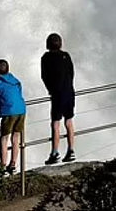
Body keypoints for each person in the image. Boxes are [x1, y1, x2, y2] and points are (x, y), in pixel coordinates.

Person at [41, 32, 76, 165]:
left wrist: (50, 89)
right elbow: (71, 73)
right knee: (69, 121)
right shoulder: (66, 56)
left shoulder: (46, 58)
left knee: (55, 123)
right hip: (69, 92)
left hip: (57, 94)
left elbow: (44, 76)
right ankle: (71, 150)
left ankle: (55, 152)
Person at [0, 59, 27, 174]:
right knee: (16, 138)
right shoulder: (16, 81)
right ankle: (13, 164)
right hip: (21, 110)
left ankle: (2, 167)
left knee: (4, 139)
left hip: (8, 112)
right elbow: (19, 93)